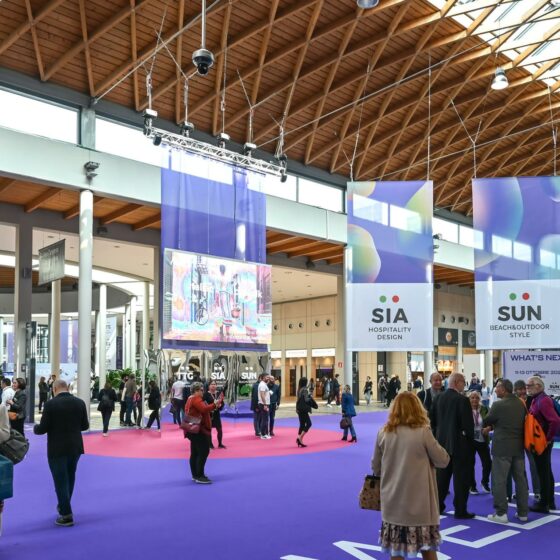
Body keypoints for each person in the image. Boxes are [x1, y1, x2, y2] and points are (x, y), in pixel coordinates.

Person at [373, 392, 449, 560]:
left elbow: (376, 467)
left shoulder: (383, 432)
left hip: (393, 503)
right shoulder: (423, 432)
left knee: (396, 551)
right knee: (428, 549)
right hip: (419, 505)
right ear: (417, 408)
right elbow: (443, 460)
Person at [33, 379, 89, 527]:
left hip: (57, 448)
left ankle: (66, 514)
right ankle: (64, 505)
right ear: (67, 388)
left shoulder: (50, 404)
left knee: (60, 480)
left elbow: (42, 429)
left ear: (54, 389)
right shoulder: (80, 403)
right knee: (70, 477)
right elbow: (85, 426)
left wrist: (35, 428)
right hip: (75, 447)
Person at [482, 379, 529, 523]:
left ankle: (501, 513)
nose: (495, 390)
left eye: (497, 387)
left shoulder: (498, 405)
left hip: (502, 448)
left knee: (499, 481)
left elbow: (486, 420)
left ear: (503, 389)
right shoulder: (521, 404)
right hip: (518, 447)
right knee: (520, 480)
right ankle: (523, 512)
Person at [429, 372, 475, 519]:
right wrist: (470, 443)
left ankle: (438, 506)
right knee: (461, 479)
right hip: (460, 446)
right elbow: (468, 426)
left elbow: (432, 421)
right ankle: (460, 510)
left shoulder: (438, 398)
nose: (464, 385)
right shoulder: (463, 400)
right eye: (463, 382)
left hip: (441, 444)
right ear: (457, 382)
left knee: (441, 478)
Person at [526, 375, 560, 513]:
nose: (527, 388)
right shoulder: (538, 399)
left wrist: (548, 438)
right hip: (540, 441)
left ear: (539, 386)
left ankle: (544, 503)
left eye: (530, 385)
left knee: (543, 471)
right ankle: (549, 501)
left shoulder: (543, 400)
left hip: (542, 442)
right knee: (545, 470)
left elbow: (555, 421)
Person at [184, 382, 222, 484]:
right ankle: (200, 475)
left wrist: (213, 406)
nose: (202, 392)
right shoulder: (196, 399)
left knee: (195, 453)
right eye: (201, 390)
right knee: (204, 451)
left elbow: (202, 409)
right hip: (198, 429)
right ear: (196, 391)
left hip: (192, 428)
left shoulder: (190, 398)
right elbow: (203, 409)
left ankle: (195, 475)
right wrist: (214, 404)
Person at [512, 379, 540, 501]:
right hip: (517, 438)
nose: (523, 391)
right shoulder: (512, 402)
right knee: (519, 467)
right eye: (520, 389)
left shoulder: (532, 400)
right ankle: (523, 490)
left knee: (534, 464)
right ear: (515, 391)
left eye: (524, 389)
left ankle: (538, 491)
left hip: (530, 437)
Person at [468, 391, 491, 495]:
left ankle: (484, 482)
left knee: (487, 463)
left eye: (477, 398)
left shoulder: (485, 409)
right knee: (470, 463)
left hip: (482, 439)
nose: (474, 400)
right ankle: (472, 485)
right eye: (472, 398)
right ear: (469, 399)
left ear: (480, 399)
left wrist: (489, 427)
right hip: (469, 441)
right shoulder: (465, 410)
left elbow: (491, 422)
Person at [203, 380, 225, 448]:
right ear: (209, 386)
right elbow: (204, 404)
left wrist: (220, 405)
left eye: (214, 384)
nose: (213, 386)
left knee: (220, 430)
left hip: (217, 414)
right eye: (212, 384)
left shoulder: (219, 393)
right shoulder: (205, 394)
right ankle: (210, 444)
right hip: (209, 414)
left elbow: (222, 402)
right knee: (209, 430)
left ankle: (220, 444)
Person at [296, 377, 313, 448]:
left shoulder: (299, 389)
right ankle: (300, 438)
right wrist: (310, 396)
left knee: (302, 424)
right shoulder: (305, 390)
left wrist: (296, 408)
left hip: (299, 408)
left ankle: (299, 439)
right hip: (304, 409)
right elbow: (306, 400)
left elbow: (298, 400)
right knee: (309, 423)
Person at [257, 374, 271, 439]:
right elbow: (262, 395)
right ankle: (263, 434)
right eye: (267, 377)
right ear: (263, 378)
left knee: (265, 419)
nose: (268, 378)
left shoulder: (263, 384)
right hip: (263, 404)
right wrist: (265, 404)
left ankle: (264, 433)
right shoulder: (262, 385)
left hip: (264, 403)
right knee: (264, 419)